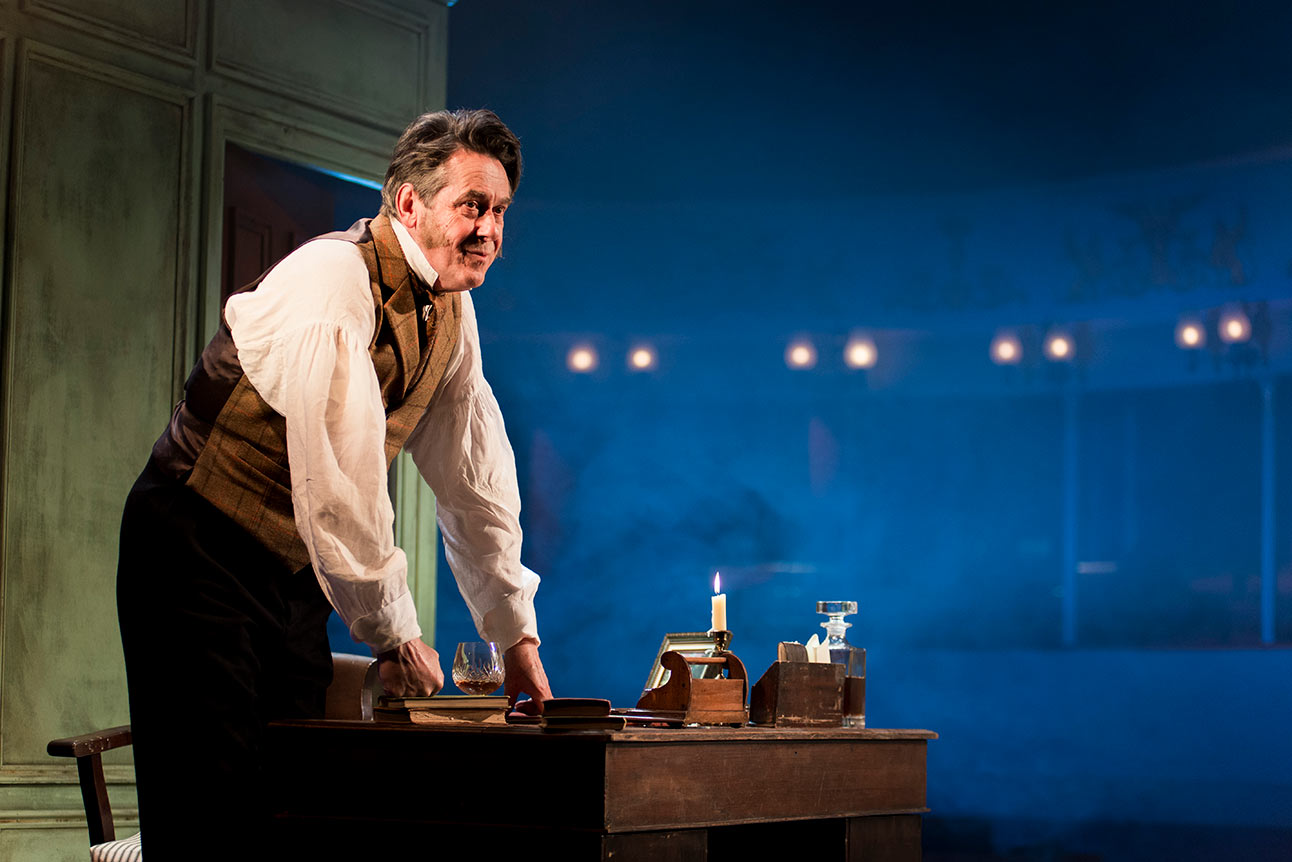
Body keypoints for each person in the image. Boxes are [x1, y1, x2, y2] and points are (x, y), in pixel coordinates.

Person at [116, 108, 551, 853]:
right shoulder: (334, 279)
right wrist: (395, 633)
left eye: (500, 210)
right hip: (195, 549)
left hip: (291, 574)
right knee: (209, 806)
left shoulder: (455, 313)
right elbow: (340, 480)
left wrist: (516, 637)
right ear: (409, 203)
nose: (489, 230)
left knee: (293, 795)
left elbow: (476, 482)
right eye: (472, 206)